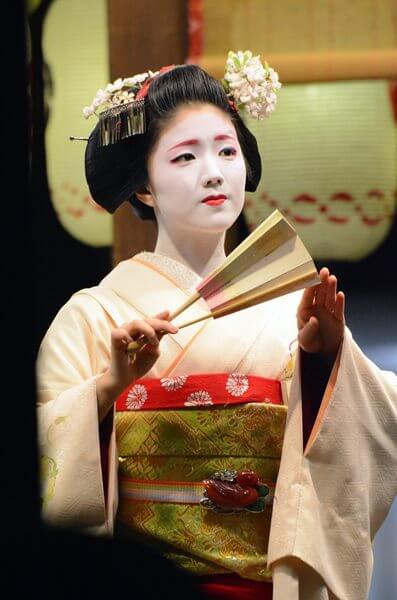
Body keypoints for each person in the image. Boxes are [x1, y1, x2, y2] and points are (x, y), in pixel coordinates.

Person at [37, 51, 397, 599]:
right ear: (144, 188)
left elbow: (375, 428)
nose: (214, 171)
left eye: (227, 150)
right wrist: (107, 389)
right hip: (138, 585)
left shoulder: (290, 307)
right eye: (184, 157)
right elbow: (35, 449)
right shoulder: (92, 315)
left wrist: (323, 360)